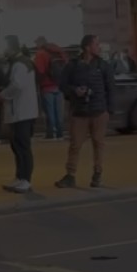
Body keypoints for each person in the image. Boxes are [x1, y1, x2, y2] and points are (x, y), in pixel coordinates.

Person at [56, 34, 116, 188]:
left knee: (99, 144)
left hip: (99, 111)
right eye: (96, 44)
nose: (99, 46)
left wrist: (109, 110)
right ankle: (70, 175)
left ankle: (97, 175)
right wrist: (75, 91)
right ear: (87, 47)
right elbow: (62, 84)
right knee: (75, 145)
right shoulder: (73, 65)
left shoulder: (103, 65)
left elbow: (111, 88)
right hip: (79, 112)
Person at [0, 38, 39, 193]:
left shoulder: (20, 64)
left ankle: (26, 179)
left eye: (5, 48)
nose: (3, 52)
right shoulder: (19, 62)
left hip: (22, 112)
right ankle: (20, 177)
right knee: (17, 147)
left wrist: (3, 94)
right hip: (19, 111)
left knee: (23, 146)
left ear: (11, 48)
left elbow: (17, 85)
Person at [33, 36, 66, 141]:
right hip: (60, 86)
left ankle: (51, 133)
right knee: (59, 112)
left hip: (47, 87)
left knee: (50, 112)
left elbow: (40, 71)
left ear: (40, 43)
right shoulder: (59, 51)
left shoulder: (40, 54)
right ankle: (60, 133)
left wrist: (37, 83)